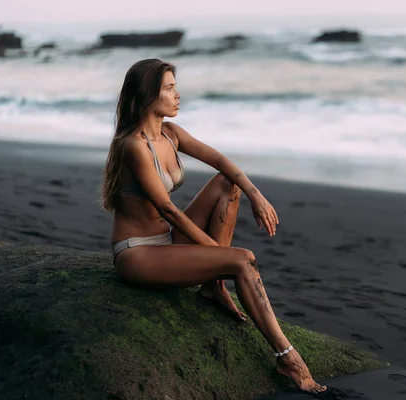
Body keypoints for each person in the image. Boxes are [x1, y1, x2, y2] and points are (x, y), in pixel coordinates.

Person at [99, 58, 326, 394]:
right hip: (138, 254)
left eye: (176, 87)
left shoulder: (170, 134)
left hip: (167, 240)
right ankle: (287, 357)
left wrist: (255, 194)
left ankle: (213, 288)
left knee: (226, 184)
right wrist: (219, 255)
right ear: (149, 95)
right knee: (240, 259)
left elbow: (219, 160)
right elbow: (168, 209)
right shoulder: (134, 145)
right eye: (170, 88)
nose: (178, 95)